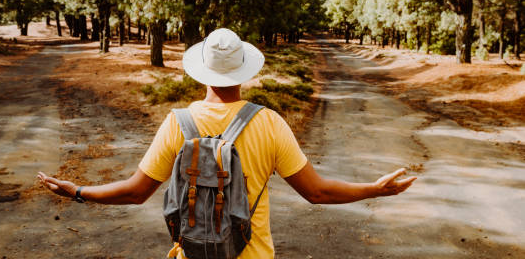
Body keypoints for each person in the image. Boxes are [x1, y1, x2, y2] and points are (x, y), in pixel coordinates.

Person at [38, 28, 417, 258]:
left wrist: (79, 191)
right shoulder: (269, 123)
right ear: (244, 71)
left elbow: (135, 193)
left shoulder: (177, 123)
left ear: (201, 70)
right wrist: (374, 190)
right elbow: (317, 193)